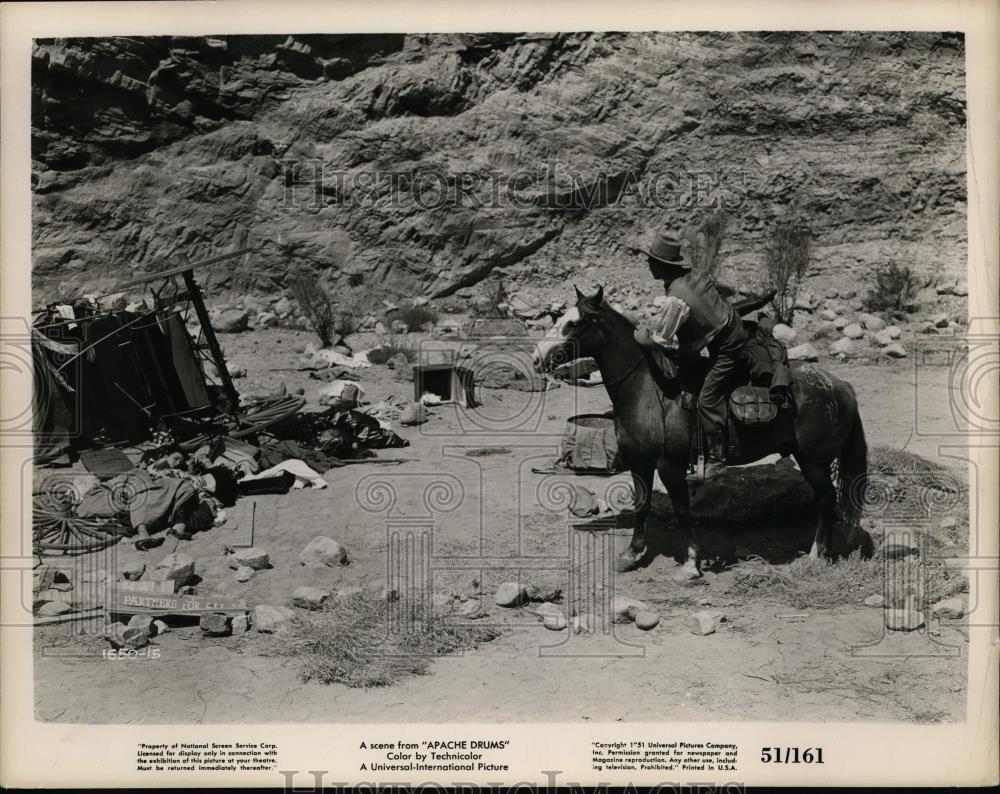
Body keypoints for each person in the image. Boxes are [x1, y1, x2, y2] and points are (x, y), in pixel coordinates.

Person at [633, 231, 748, 482]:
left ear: (661, 265)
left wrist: (645, 340)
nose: (648, 264)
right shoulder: (690, 277)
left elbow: (662, 340)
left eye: (651, 260)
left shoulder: (676, 298)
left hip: (727, 343)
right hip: (725, 328)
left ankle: (717, 461)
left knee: (708, 397)